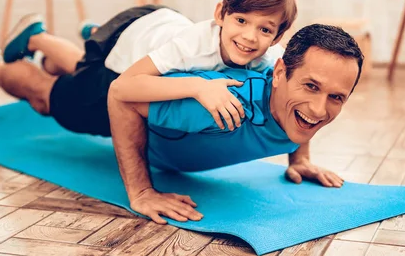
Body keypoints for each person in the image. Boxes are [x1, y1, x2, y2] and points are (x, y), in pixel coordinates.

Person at [0, 0, 297, 136]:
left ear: (277, 34)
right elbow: (127, 85)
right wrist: (198, 86)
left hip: (147, 30)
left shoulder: (269, 54)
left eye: (264, 29)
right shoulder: (193, 47)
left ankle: (77, 36)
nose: (251, 37)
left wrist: (299, 156)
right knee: (54, 101)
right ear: (220, 13)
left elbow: (295, 90)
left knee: (88, 70)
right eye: (240, 20)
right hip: (131, 39)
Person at [107, 24, 364, 224]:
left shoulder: (295, 106)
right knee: (72, 85)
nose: (319, 109)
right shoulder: (224, 105)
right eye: (311, 86)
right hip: (114, 77)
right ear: (279, 74)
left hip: (167, 36)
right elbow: (121, 98)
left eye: (336, 97)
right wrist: (141, 192)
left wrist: (300, 159)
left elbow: (307, 113)